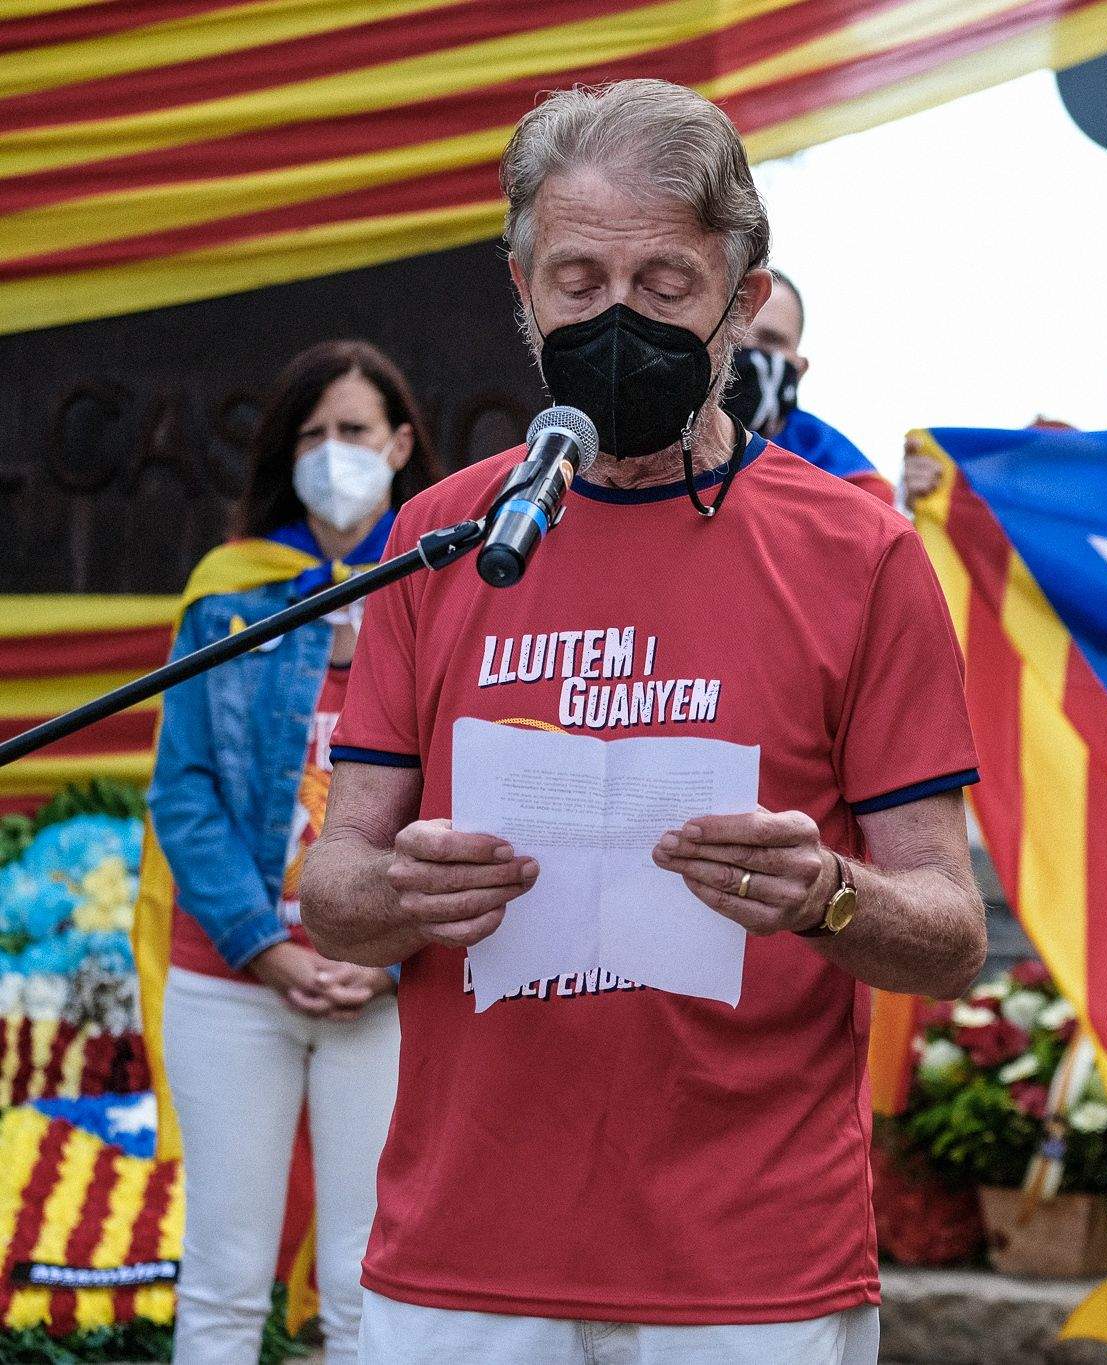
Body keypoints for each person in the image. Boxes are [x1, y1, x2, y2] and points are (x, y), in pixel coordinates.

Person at [299, 79, 986, 1365]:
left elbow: (949, 937)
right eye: (577, 282)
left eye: (665, 285)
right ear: (522, 287)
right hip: (467, 1254)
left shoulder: (862, 557)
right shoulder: (439, 538)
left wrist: (826, 895)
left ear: (740, 293)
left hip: (749, 1268)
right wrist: (401, 891)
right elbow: (335, 891)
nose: (617, 319)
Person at [147, 339, 439, 1365]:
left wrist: (385, 953)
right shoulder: (228, 592)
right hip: (232, 978)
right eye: (311, 435)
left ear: (399, 444)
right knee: (224, 1280)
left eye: (353, 430)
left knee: (369, 1285)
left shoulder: (448, 588)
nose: (332, 453)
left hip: (385, 990)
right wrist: (264, 947)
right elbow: (182, 788)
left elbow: (471, 791)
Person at [726, 267, 895, 503]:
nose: (745, 347)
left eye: (771, 340)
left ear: (799, 369)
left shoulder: (850, 486)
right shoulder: (670, 449)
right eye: (734, 329)